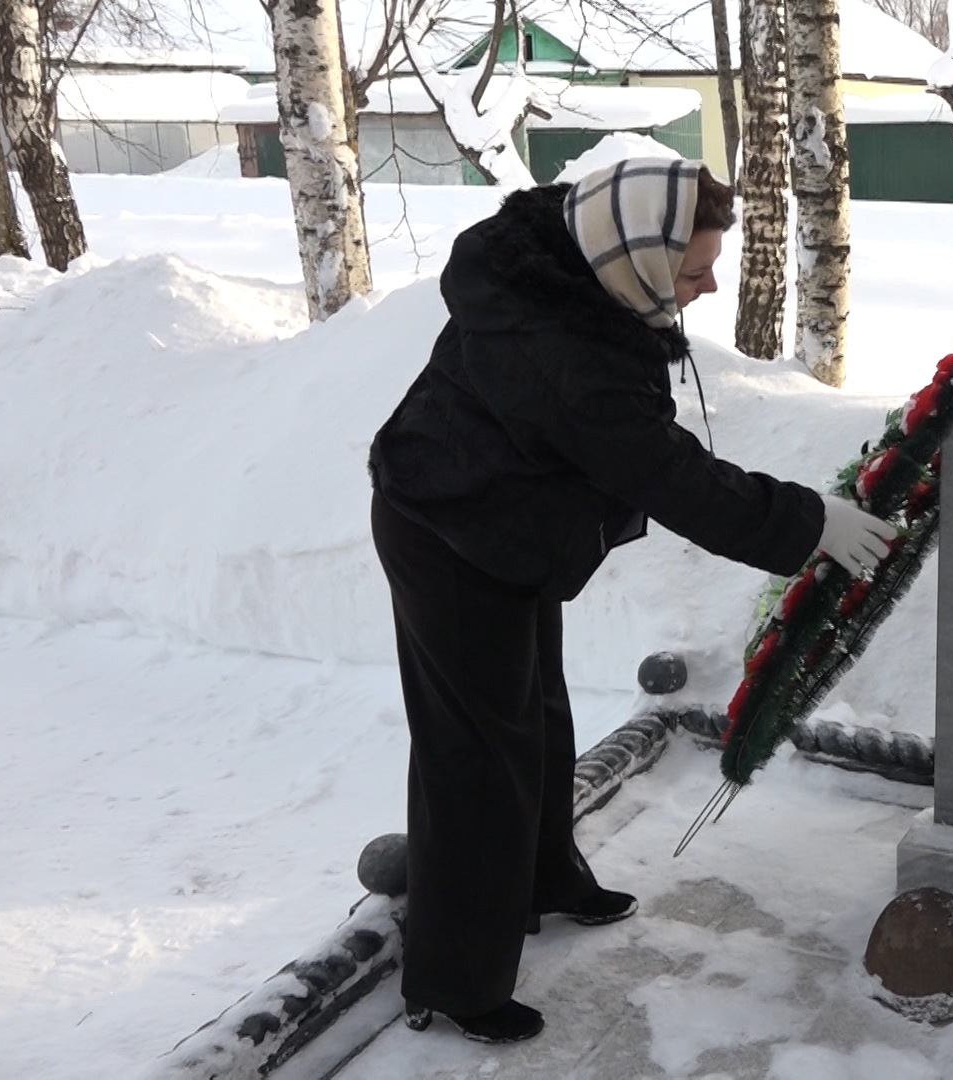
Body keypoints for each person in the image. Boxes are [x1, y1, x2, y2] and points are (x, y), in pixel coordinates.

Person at [367, 158, 896, 1044]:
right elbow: (670, 476)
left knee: (534, 712)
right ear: (639, 259)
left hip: (507, 521)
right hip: (449, 534)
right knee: (475, 754)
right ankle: (455, 977)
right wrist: (811, 526)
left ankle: (542, 880)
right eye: (692, 271)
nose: (710, 284)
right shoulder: (559, 352)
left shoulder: (575, 258)